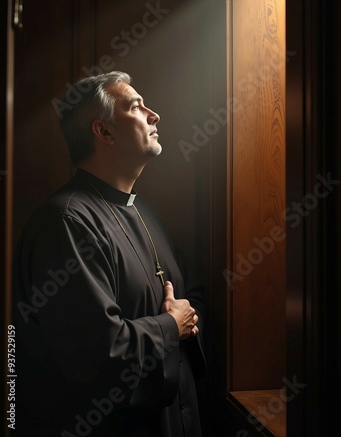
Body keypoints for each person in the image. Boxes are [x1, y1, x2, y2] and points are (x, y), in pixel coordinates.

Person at [12, 71, 206, 437]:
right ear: (104, 132)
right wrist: (170, 326)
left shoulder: (146, 213)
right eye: (135, 106)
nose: (154, 114)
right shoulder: (66, 222)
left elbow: (190, 295)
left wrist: (186, 319)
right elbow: (96, 351)